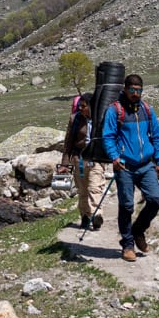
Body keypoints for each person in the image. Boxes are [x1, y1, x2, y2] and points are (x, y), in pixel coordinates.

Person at [101, 73, 159, 262]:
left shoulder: (147, 110)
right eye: (132, 90)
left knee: (155, 200)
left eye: (139, 90)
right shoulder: (115, 111)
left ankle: (138, 231)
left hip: (146, 165)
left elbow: (156, 135)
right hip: (125, 166)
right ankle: (127, 244)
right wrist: (114, 156)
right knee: (127, 206)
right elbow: (108, 136)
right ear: (125, 89)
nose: (136, 93)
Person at [62, 88, 106, 233]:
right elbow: (68, 142)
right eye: (79, 106)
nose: (80, 108)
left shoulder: (101, 118)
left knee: (95, 187)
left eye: (83, 106)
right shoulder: (74, 119)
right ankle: (85, 216)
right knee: (82, 191)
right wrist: (65, 164)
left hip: (96, 158)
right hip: (79, 158)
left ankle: (96, 214)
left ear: (91, 106)